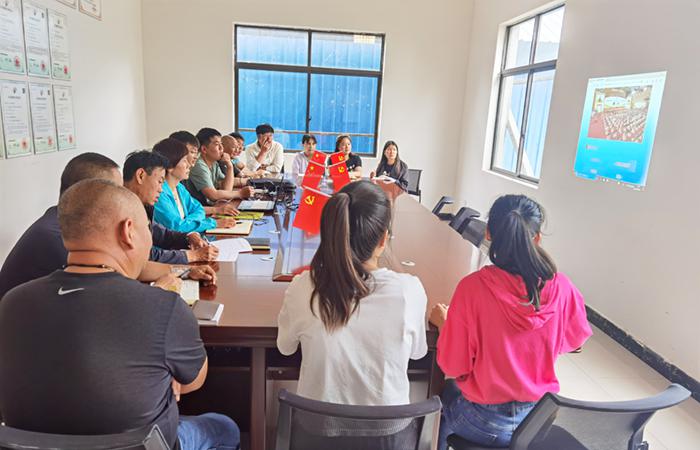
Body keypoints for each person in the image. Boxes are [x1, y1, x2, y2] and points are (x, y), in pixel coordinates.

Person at [0, 179, 240, 450]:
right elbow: (192, 380)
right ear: (128, 231)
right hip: (145, 444)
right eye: (146, 229)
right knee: (224, 428)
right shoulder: (164, 307)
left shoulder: (12, 303)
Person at [429, 195, 592, 450]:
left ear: (488, 233)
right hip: (538, 421)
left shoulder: (472, 289)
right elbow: (574, 341)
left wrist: (445, 326)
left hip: (484, 422)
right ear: (537, 238)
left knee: (440, 400)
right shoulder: (562, 286)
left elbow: (454, 365)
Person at [277, 181, 427, 405]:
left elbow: (285, 348)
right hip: (387, 428)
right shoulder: (409, 291)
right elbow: (417, 353)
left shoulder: (303, 287)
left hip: (317, 427)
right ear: (383, 239)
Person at [0, 153, 213, 300]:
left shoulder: (77, 224)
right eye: (114, 189)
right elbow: (112, 290)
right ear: (87, 192)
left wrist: (185, 271)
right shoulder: (60, 237)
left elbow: (132, 268)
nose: (120, 194)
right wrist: (158, 293)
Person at [123, 150, 218, 264]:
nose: (161, 189)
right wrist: (192, 256)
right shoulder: (122, 210)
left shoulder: (140, 206)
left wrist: (188, 237)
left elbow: (159, 234)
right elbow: (146, 256)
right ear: (141, 175)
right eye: (159, 181)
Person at [153, 138, 237, 233]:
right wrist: (213, 223)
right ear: (170, 166)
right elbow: (177, 227)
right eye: (184, 161)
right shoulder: (159, 194)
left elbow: (199, 209)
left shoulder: (179, 187)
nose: (189, 165)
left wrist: (187, 222)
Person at [185, 128, 253, 206]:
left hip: (210, 207)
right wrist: (240, 193)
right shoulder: (198, 165)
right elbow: (213, 195)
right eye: (217, 145)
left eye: (221, 144)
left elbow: (227, 190)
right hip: (200, 209)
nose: (222, 148)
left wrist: (230, 166)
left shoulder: (214, 163)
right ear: (204, 149)